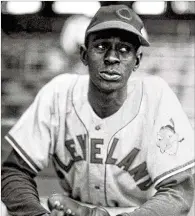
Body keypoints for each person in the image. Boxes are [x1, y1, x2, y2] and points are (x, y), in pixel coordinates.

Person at [1, 4, 194, 216]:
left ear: (137, 60)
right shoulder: (58, 93)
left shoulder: (156, 96)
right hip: (73, 211)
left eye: (124, 49)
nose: (112, 58)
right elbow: (14, 172)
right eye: (101, 47)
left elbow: (179, 192)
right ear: (84, 54)